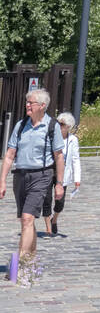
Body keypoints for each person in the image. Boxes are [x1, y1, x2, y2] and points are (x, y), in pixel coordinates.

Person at [0, 89, 65, 284]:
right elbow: (10, 155)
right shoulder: (21, 126)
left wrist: (59, 184)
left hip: (42, 175)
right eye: (27, 102)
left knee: (28, 218)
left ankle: (21, 266)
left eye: (31, 103)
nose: (27, 105)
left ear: (42, 106)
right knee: (25, 221)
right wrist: (2, 180)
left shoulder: (51, 126)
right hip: (20, 176)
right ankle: (31, 260)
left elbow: (59, 157)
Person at [42, 112, 81, 236]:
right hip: (48, 171)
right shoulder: (50, 136)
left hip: (62, 173)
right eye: (58, 123)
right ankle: (48, 227)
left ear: (68, 126)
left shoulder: (72, 140)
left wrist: (77, 178)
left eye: (62, 124)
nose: (59, 126)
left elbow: (75, 159)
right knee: (46, 199)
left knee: (60, 202)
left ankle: (55, 219)